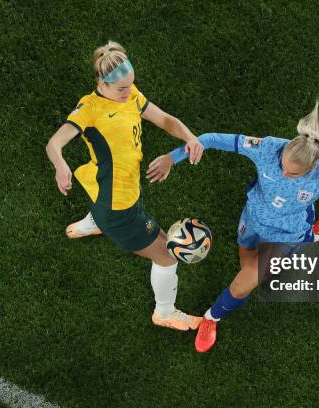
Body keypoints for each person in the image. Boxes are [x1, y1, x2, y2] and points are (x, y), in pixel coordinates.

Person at [147, 93, 319, 351]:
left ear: (311, 168)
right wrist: (173, 157)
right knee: (246, 265)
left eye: (292, 173)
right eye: (282, 165)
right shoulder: (269, 147)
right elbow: (208, 139)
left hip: (286, 235)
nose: (283, 173)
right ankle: (316, 234)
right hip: (252, 220)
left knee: (242, 284)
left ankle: (211, 318)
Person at [45, 41, 204, 331]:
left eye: (131, 85)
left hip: (114, 186)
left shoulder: (130, 96)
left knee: (103, 197)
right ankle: (165, 313)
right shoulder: (90, 109)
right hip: (119, 207)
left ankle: (93, 223)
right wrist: (60, 165)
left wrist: (191, 138)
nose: (128, 93)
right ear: (102, 83)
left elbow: (165, 119)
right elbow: (54, 143)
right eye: (121, 89)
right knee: (168, 256)